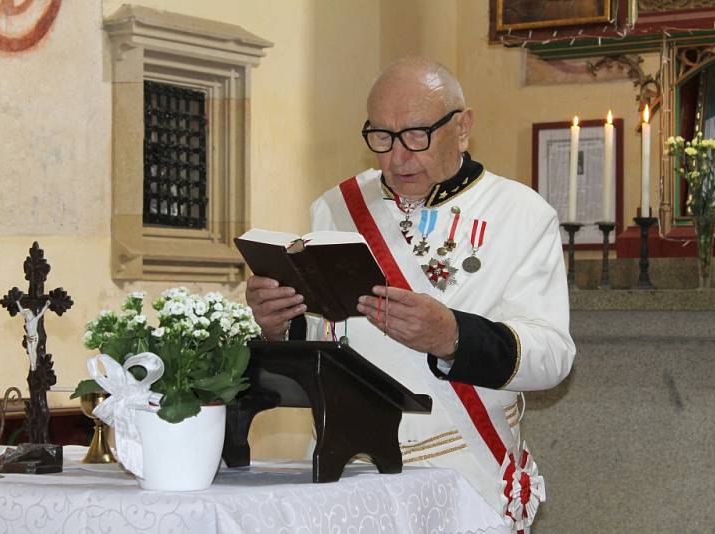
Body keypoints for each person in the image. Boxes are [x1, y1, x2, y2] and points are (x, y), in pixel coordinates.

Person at [246, 57, 575, 531]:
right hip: (348, 468)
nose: (398, 157)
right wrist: (280, 324)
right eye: (381, 137)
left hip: (462, 471)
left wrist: (453, 336)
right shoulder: (336, 208)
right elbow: (327, 335)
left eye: (417, 135)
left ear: (463, 128)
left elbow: (554, 356)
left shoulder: (521, 214)